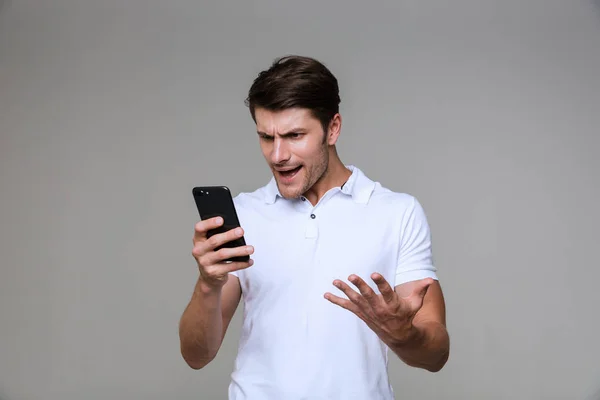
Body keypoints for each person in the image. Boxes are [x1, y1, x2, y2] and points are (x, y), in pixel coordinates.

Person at [179, 55, 450, 399]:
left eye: (294, 135)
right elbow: (196, 355)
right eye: (266, 137)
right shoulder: (244, 214)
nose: (278, 155)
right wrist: (208, 284)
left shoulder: (398, 213)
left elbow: (436, 354)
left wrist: (404, 335)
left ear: (332, 128)